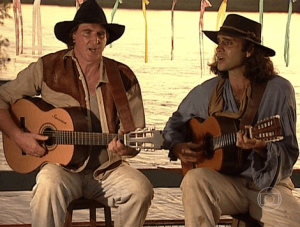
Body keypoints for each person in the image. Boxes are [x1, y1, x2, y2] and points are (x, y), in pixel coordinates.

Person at [0, 0, 153, 226]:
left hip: (108, 170)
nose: (95, 39)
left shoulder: (123, 76)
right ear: (73, 36)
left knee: (141, 190)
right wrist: (18, 136)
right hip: (61, 170)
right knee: (47, 186)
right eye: (87, 32)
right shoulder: (48, 67)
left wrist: (126, 147)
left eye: (101, 34)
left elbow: (135, 136)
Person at [163, 14, 300, 226]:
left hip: (267, 187)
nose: (219, 49)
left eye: (228, 43)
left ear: (249, 50)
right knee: (194, 179)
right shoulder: (207, 91)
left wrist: (263, 147)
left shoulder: (279, 90)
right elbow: (175, 123)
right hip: (225, 183)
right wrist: (177, 146)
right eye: (219, 43)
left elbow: (289, 152)